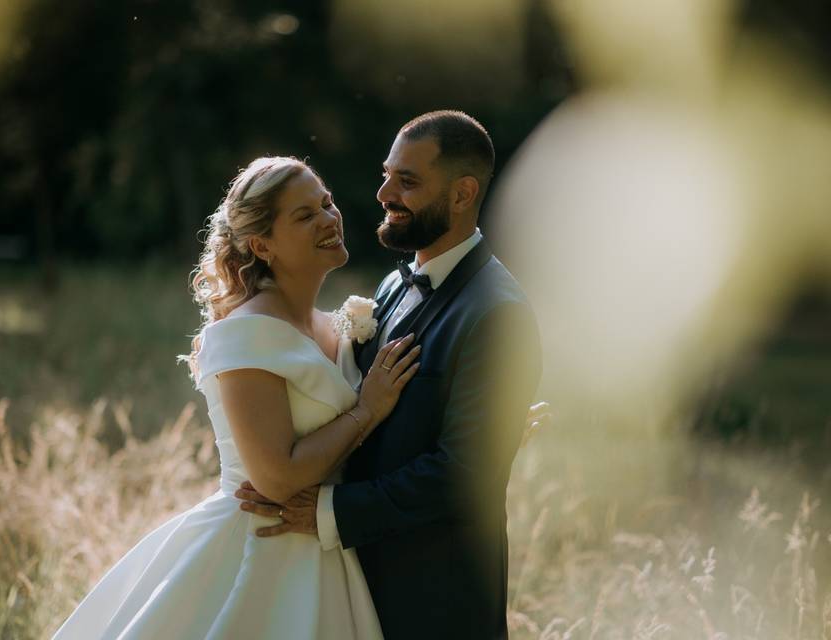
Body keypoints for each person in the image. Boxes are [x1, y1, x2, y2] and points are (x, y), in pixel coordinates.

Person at [52, 156, 422, 639]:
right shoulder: (246, 334)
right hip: (260, 546)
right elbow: (276, 477)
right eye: (304, 215)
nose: (329, 219)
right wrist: (366, 409)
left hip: (327, 547)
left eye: (327, 204)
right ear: (261, 245)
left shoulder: (340, 326)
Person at [236, 111, 543, 639]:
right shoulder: (393, 286)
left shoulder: (497, 312)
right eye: (386, 174)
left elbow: (463, 473)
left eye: (407, 181)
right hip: (358, 585)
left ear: (463, 193)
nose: (383, 193)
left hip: (436, 599)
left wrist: (330, 511)